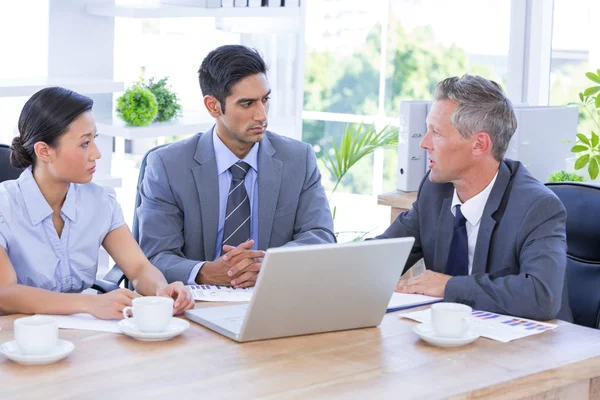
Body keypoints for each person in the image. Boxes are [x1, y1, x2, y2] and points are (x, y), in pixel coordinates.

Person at [376, 74, 572, 321]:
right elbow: (381, 256)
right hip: (454, 342)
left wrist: (449, 286)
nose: (424, 144)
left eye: (436, 132)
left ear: (479, 144)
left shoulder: (537, 207)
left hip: (531, 350)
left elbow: (542, 296)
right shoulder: (435, 190)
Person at [138, 44, 335, 288]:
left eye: (265, 100)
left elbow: (320, 236)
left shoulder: (298, 159)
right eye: (247, 104)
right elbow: (155, 256)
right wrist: (206, 272)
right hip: (195, 302)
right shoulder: (168, 166)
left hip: (273, 296)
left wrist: (267, 264)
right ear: (213, 106)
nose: (262, 115)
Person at [0, 87, 195, 320]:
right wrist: (88, 303)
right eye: (84, 143)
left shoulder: (101, 200)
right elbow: (5, 293)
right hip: (20, 335)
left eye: (95, 139)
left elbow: (138, 268)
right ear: (44, 151)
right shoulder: (5, 206)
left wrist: (160, 289)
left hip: (84, 333)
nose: (96, 153)